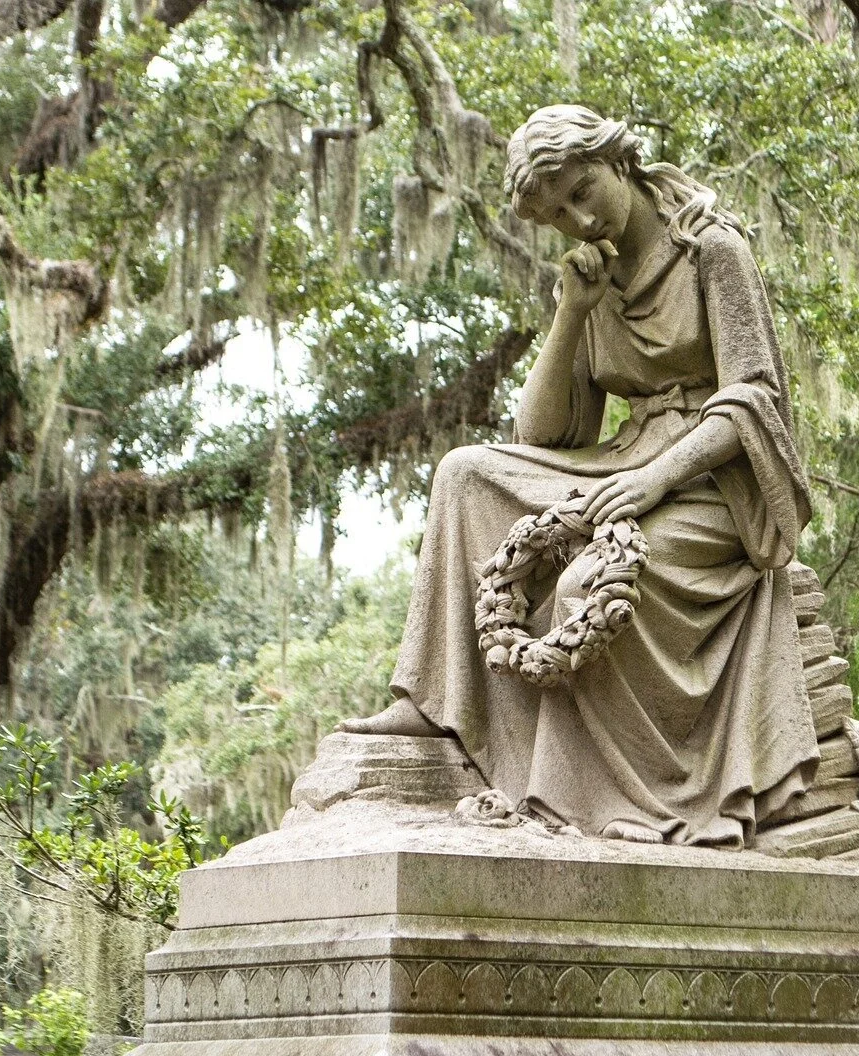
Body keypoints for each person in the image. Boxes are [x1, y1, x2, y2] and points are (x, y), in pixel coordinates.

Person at [339, 105, 818, 846]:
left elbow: (756, 397)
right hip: (623, 459)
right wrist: (571, 313)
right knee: (465, 472)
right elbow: (549, 435)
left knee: (580, 589)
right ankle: (431, 701)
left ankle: (599, 797)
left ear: (617, 160)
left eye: (581, 191)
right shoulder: (595, 279)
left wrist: (660, 478)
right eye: (556, 213)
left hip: (711, 482)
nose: (577, 218)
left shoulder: (711, 249)